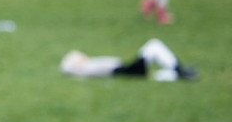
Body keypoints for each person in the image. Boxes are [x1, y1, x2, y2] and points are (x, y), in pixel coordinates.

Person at [61, 38, 197, 81]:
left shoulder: (89, 65)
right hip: (124, 70)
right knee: (154, 45)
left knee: (154, 74)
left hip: (126, 69)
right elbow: (66, 65)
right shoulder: (86, 68)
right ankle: (179, 69)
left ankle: (179, 72)